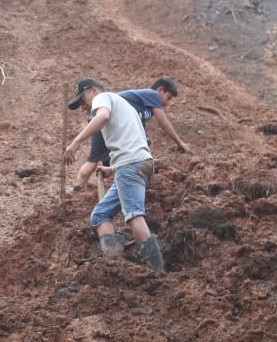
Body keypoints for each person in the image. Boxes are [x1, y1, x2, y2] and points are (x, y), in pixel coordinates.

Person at [63, 79, 166, 272]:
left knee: (134, 215)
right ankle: (114, 266)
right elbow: (132, 140)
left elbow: (102, 117)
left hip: (130, 165)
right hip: (140, 163)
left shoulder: (102, 98)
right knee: (100, 215)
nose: (83, 106)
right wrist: (112, 169)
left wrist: (76, 142)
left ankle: (157, 272)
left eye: (83, 99)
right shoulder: (123, 105)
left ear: (93, 90)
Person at [68, 77, 190, 193]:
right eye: (168, 97)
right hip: (103, 122)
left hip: (104, 124)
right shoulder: (153, 95)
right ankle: (80, 189)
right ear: (160, 90)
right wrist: (180, 143)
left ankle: (78, 188)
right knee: (97, 160)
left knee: (96, 160)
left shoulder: (140, 105)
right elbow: (163, 122)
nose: (166, 103)